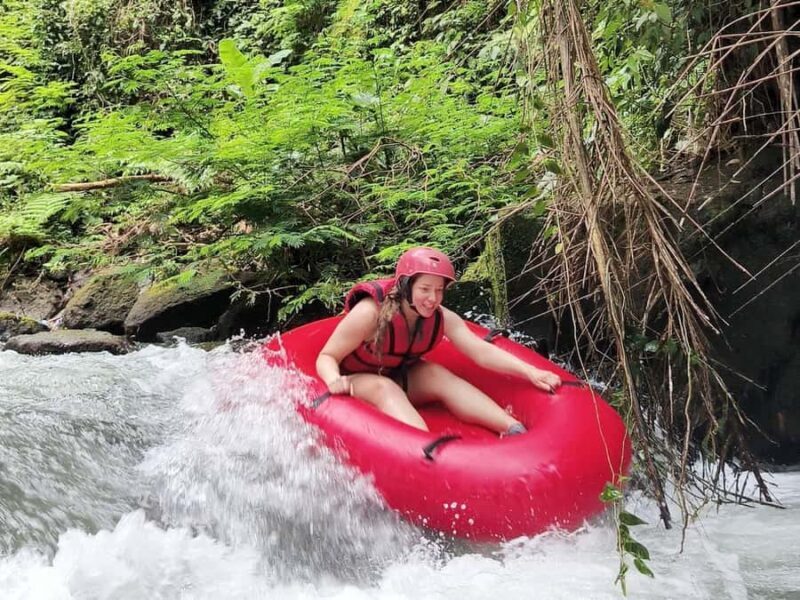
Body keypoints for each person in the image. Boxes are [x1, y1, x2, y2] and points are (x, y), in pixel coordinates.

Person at [315, 247, 562, 435]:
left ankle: (512, 429)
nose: (433, 298)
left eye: (439, 290)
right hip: (355, 381)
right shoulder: (370, 313)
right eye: (425, 289)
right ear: (406, 286)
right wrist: (333, 380)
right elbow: (327, 356)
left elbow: (480, 351)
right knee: (385, 388)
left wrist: (531, 372)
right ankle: (425, 450)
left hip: (397, 374)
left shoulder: (442, 317)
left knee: (437, 374)